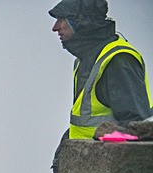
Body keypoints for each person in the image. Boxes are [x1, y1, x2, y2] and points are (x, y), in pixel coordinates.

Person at [49, 0, 152, 140]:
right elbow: (83, 127)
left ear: (81, 22)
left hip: (109, 160)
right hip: (86, 159)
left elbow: (137, 128)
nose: (55, 27)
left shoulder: (118, 60)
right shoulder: (85, 60)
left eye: (62, 19)